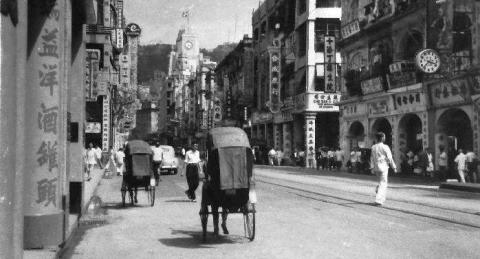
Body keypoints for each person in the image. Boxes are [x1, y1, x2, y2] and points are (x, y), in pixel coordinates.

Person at [370, 132, 397, 206]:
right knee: (383, 183)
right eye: (384, 137)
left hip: (376, 167)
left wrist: (372, 167)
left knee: (381, 182)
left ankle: (380, 196)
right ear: (382, 138)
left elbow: (371, 158)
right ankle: (378, 200)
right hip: (383, 167)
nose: (385, 138)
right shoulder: (385, 147)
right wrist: (394, 167)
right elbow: (390, 158)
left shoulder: (373, 147)